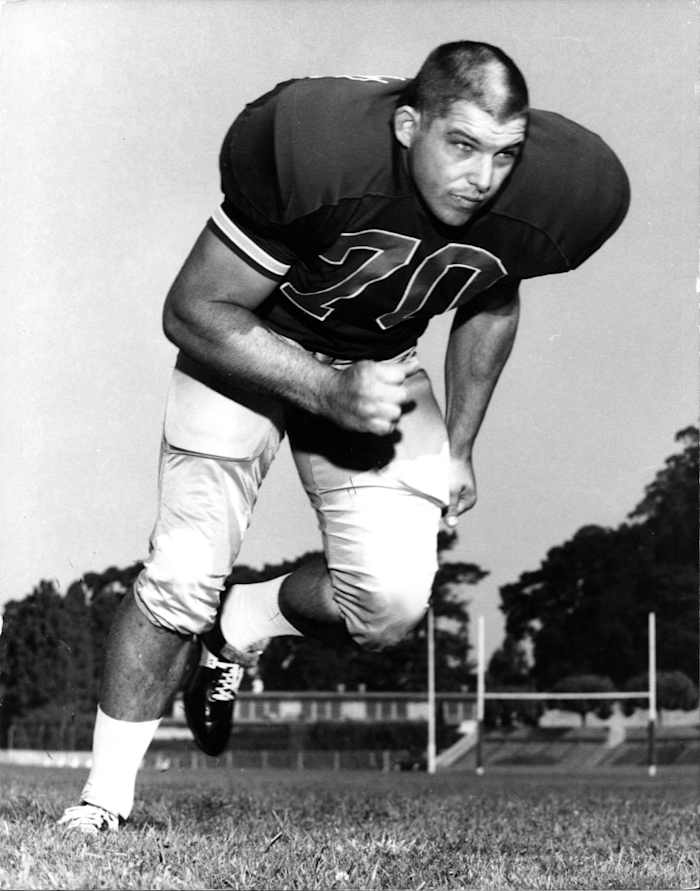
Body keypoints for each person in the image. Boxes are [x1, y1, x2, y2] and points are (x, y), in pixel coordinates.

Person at [58, 41, 629, 833]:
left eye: (505, 154)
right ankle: (103, 799)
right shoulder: (312, 145)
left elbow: (493, 294)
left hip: (376, 360)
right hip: (245, 345)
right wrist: (326, 387)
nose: (483, 177)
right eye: (461, 145)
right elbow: (193, 308)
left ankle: (245, 622)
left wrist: (459, 444)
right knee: (184, 571)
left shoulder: (557, 189)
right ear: (405, 125)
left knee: (391, 605)